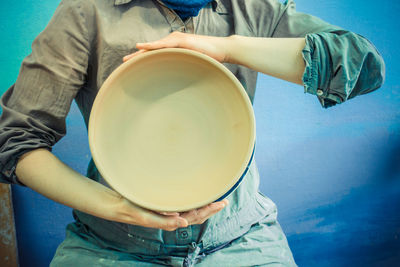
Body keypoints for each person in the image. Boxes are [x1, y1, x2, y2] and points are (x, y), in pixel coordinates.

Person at [0, 0, 385, 266]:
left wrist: (228, 49)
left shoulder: (254, 8)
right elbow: (16, 141)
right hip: (112, 242)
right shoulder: (85, 11)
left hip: (240, 235)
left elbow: (364, 65)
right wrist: (116, 208)